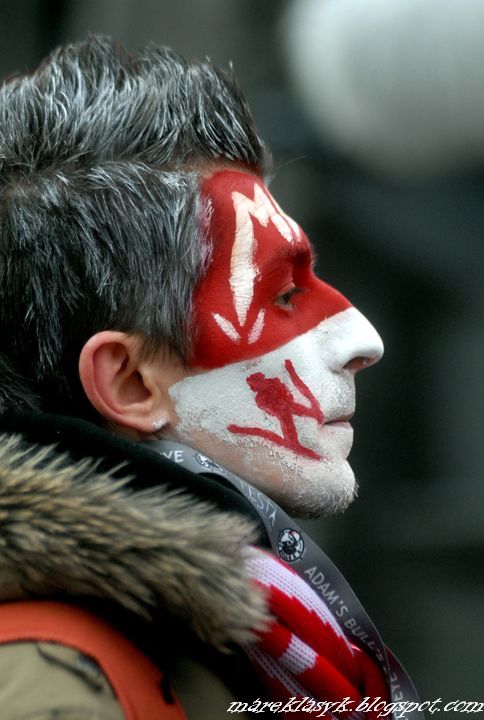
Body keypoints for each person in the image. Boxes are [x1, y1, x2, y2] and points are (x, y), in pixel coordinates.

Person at [0, 36, 415, 720]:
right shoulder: (48, 681)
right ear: (130, 385)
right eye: (285, 294)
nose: (363, 338)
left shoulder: (221, 644)